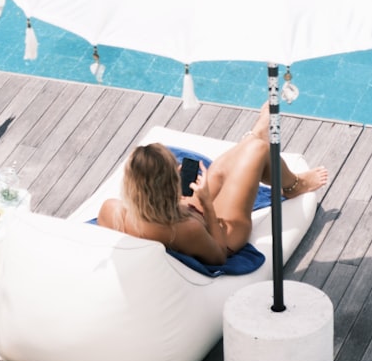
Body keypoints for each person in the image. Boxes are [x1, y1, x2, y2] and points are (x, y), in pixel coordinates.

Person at [97, 104, 328, 265]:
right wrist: (207, 203)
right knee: (258, 151)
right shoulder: (187, 229)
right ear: (168, 183)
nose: (179, 169)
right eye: (175, 170)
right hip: (222, 235)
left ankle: (256, 133)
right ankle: (292, 184)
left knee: (219, 172)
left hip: (178, 209)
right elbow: (218, 257)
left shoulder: (112, 210)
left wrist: (180, 201)